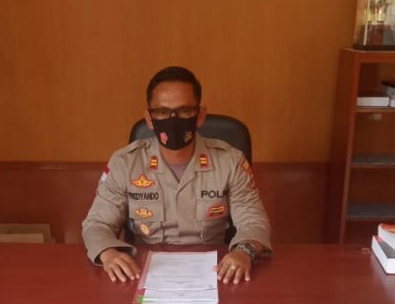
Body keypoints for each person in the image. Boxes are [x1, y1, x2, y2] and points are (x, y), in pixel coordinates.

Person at [82, 66, 272, 284]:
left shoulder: (230, 161)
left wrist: (244, 252)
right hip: (143, 271)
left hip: (215, 271)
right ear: (149, 118)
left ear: (199, 116)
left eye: (184, 111)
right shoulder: (125, 163)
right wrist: (109, 253)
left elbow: (254, 221)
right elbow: (97, 224)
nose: (173, 120)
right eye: (162, 112)